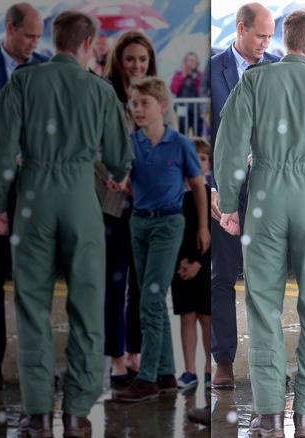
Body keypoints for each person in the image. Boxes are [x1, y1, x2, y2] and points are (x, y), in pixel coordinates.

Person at [214, 9, 305, 436]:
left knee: (263, 306)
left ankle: (268, 414)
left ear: (285, 39)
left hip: (264, 198)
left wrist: (228, 204)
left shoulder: (255, 81)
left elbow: (229, 147)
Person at [0, 9, 132, 435]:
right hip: (81, 201)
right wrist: (118, 175)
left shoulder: (25, 81)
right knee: (87, 306)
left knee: (32, 307)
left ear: (53, 39)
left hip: (34, 199)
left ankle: (37, 413)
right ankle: (78, 412)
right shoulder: (100, 90)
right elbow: (120, 156)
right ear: (87, 45)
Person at [113, 77, 209, 402]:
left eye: (144, 103)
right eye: (134, 103)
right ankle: (167, 372)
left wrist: (203, 228)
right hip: (139, 224)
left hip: (169, 224)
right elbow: (126, 179)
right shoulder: (130, 143)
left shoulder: (180, 144)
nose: (137, 109)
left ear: (162, 107)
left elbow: (197, 187)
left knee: (151, 301)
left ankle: (148, 377)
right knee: (150, 298)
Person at [209, 2, 279, 390]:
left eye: (270, 36)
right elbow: (204, 133)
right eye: (260, 35)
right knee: (222, 274)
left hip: (268, 188)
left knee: (264, 275)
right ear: (240, 29)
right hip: (224, 186)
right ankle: (222, 359)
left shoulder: (276, 68)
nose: (265, 43)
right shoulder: (212, 70)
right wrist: (216, 185)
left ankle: (267, 359)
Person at [0, 1, 47, 391]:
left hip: (38, 196)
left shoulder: (44, 70)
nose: (33, 44)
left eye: (39, 37)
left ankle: (35, 364)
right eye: (28, 36)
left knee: (34, 279)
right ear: (9, 29)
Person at [101, 29, 160, 387]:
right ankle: (116, 357)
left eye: (143, 59)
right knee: (115, 281)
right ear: (119, 62)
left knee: (141, 284)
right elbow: (96, 146)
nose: (137, 65)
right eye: (130, 59)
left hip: (147, 202)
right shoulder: (106, 96)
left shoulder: (154, 94)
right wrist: (118, 176)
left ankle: (136, 352)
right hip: (114, 202)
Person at [171, 137, 212, 390]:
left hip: (201, 266)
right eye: (193, 158)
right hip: (179, 266)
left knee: (206, 319)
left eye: (203, 158)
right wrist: (179, 263)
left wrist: (198, 262)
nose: (198, 162)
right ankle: (189, 370)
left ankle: (208, 368)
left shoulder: (209, 195)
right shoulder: (174, 195)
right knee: (186, 317)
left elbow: (209, 235)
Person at [170, 51, 203, 136]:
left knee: (197, 133)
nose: (190, 63)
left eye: (193, 61)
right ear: (184, 62)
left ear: (197, 63)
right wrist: (183, 75)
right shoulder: (178, 75)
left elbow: (201, 90)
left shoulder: (200, 76)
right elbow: (174, 89)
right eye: (189, 60)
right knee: (182, 132)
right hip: (182, 109)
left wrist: (195, 76)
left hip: (196, 110)